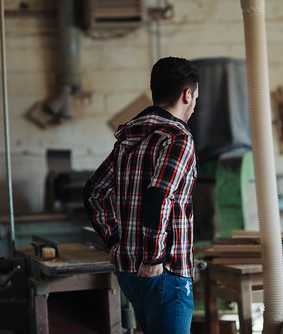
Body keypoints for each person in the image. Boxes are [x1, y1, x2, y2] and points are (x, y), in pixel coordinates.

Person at [83, 56, 199, 334]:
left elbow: (93, 191)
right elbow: (158, 198)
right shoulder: (177, 139)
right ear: (187, 95)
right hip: (165, 271)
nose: (195, 104)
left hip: (129, 272)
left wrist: (113, 240)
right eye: (195, 97)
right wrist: (153, 258)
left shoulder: (129, 138)